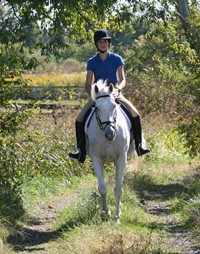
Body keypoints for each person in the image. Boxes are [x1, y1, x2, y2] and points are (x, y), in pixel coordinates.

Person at [69, 29, 150, 163]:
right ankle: (80, 151)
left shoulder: (117, 59)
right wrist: (93, 97)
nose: (103, 44)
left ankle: (139, 146)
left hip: (114, 92)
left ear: (108, 43)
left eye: (105, 42)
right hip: (98, 95)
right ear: (96, 44)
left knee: (135, 113)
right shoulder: (92, 61)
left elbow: (123, 79)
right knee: (79, 119)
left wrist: (118, 89)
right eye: (100, 42)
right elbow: (88, 84)